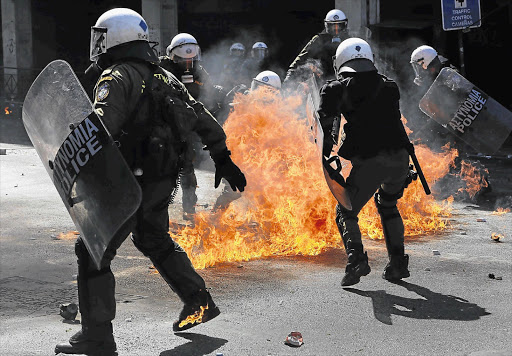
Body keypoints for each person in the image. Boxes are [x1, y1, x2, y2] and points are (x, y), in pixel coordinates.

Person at [55, 8, 246, 355]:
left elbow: (101, 127)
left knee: (92, 250)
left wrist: (68, 156)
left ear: (116, 38)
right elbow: (200, 117)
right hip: (161, 177)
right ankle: (198, 300)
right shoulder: (163, 76)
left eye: (102, 35)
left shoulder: (118, 76)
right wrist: (224, 158)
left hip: (129, 180)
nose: (97, 43)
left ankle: (97, 336)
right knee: (153, 238)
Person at [317, 38, 413, 287]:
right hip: (400, 159)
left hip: (373, 162)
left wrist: (326, 154)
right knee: (388, 205)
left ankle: (357, 260)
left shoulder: (336, 88)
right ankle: (398, 264)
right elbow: (391, 121)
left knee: (345, 211)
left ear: (340, 61)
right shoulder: (389, 86)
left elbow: (326, 130)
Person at [159, 33, 227, 220]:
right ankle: (156, 211)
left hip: (186, 128)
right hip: (164, 128)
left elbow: (209, 93)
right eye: (182, 60)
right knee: (162, 170)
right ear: (173, 56)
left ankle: (189, 209)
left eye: (191, 60)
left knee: (187, 167)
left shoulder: (199, 71)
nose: (187, 65)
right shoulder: (161, 69)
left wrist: (219, 96)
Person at [213, 70, 282, 211]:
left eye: (266, 90)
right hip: (242, 154)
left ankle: (263, 223)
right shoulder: (244, 101)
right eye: (258, 87)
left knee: (265, 191)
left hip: (263, 157)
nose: (260, 92)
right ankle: (216, 214)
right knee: (233, 190)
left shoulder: (278, 110)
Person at [283, 9, 350, 90]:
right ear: (326, 26)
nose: (336, 30)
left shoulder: (350, 40)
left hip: (346, 83)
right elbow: (302, 58)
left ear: (345, 25)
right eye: (332, 26)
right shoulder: (319, 40)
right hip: (324, 84)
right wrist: (290, 75)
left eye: (339, 26)